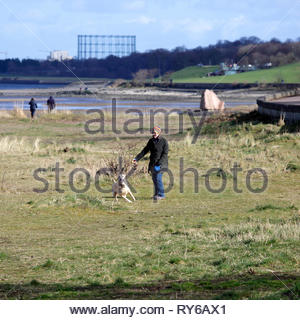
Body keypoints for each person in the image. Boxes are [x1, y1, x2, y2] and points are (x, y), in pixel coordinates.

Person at [133, 126, 168, 200]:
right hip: (152, 163)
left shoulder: (164, 141)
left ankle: (161, 195)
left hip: (161, 164)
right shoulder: (151, 141)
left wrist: (159, 163)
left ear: (159, 132)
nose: (153, 133)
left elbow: (165, 154)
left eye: (155, 132)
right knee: (155, 179)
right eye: (153, 132)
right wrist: (136, 158)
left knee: (158, 178)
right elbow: (144, 151)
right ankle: (156, 194)